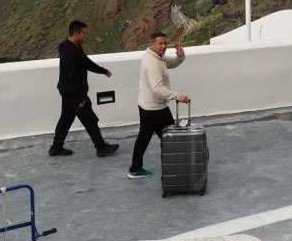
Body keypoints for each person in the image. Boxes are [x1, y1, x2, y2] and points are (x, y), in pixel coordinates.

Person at [49, 20, 119, 157]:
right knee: (89, 119)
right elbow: (73, 78)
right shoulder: (69, 53)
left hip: (68, 92)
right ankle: (101, 147)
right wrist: (80, 98)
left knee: (66, 119)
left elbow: (85, 62)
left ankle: (56, 147)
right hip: (73, 93)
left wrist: (102, 70)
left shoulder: (74, 46)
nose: (85, 36)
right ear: (75, 34)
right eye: (83, 33)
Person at [128, 31, 190, 179]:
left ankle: (135, 169)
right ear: (152, 44)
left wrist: (180, 56)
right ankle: (174, 172)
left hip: (146, 106)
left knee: (143, 137)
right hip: (155, 109)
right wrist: (178, 96)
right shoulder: (153, 63)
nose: (163, 46)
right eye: (160, 43)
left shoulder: (157, 57)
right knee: (170, 140)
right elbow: (157, 87)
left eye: (165, 43)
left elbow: (172, 63)